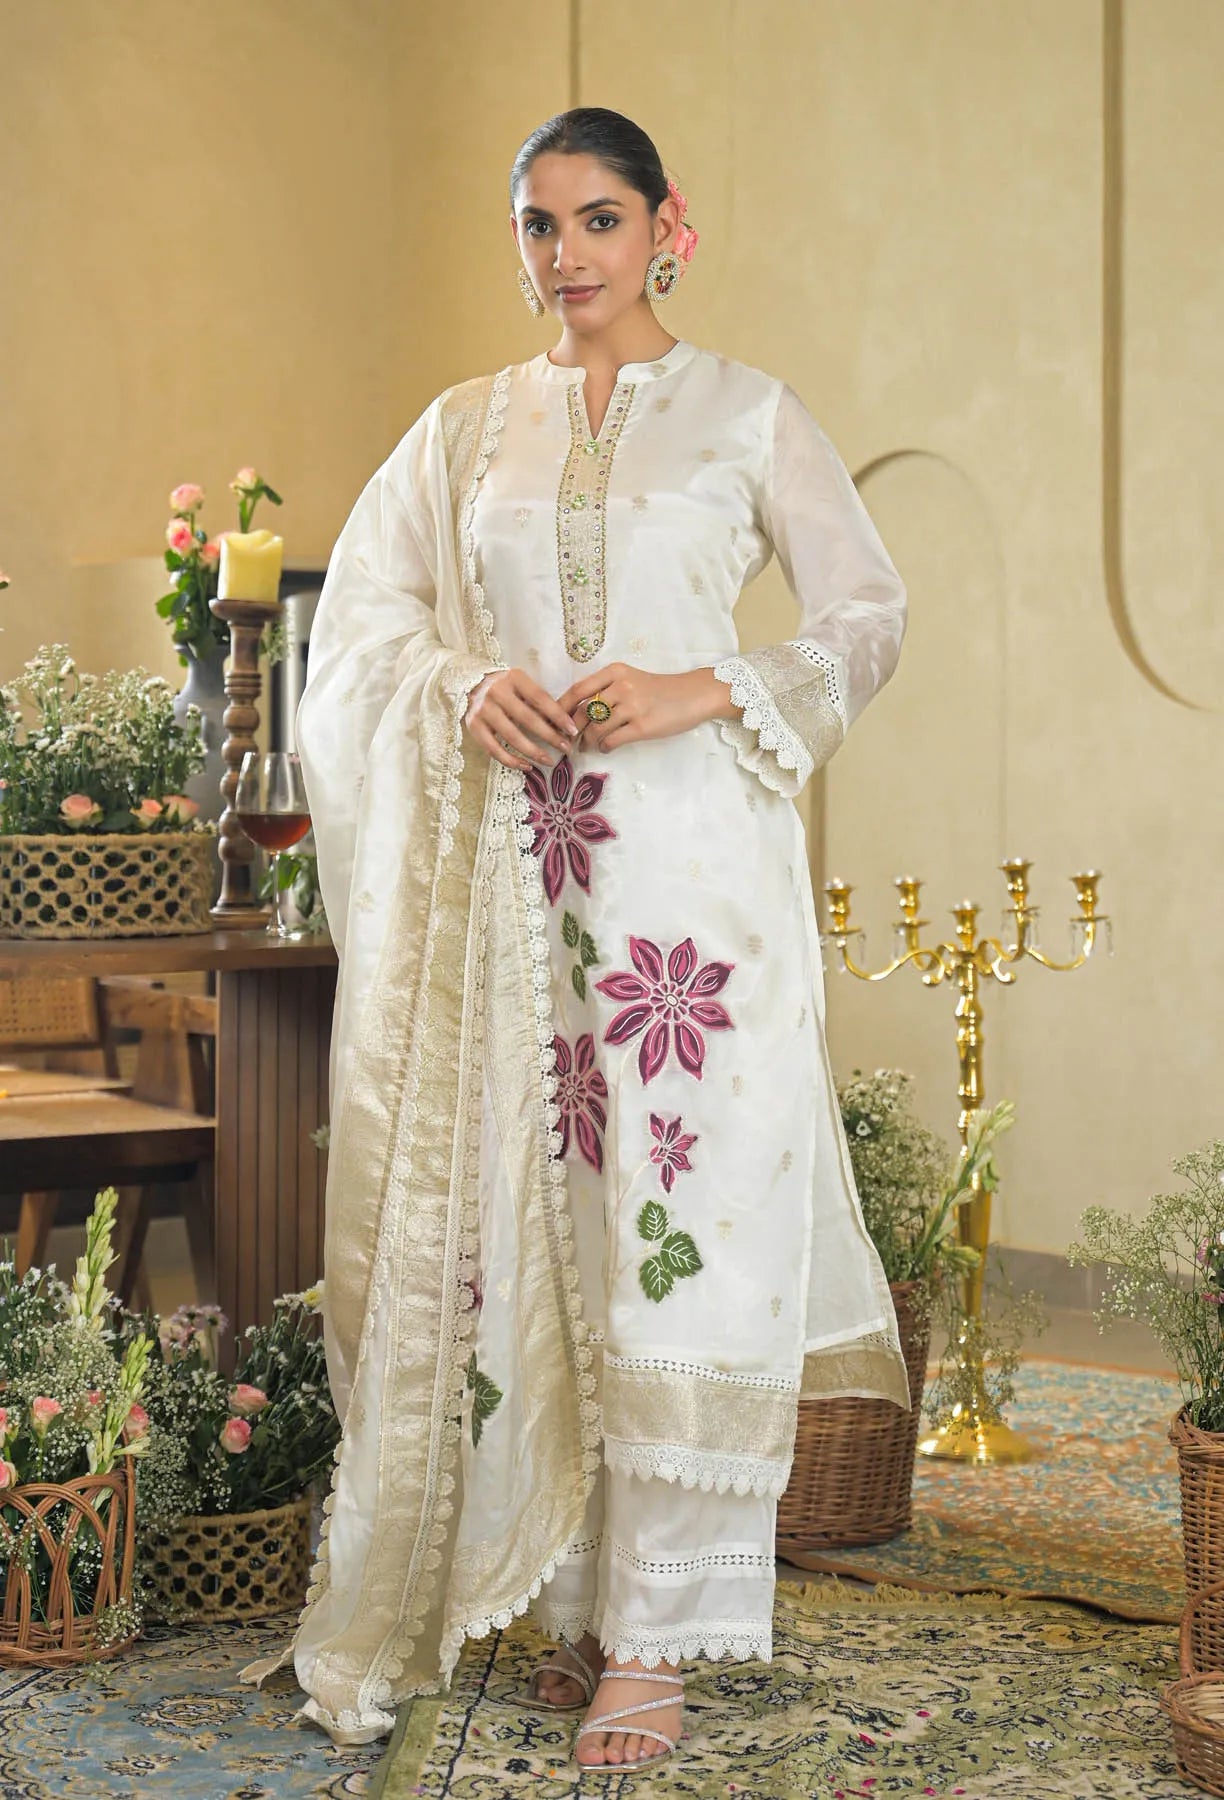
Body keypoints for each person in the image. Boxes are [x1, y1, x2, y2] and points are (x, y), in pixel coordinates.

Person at [241, 105, 911, 1774]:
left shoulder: (750, 417)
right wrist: (469, 689)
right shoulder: (467, 430)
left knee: (681, 1228)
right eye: (539, 228)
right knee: (530, 1226)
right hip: (511, 901)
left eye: (598, 221)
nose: (568, 260)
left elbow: (868, 616)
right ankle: (563, 1596)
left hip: (697, 902)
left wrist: (711, 684)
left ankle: (664, 1639)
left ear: (667, 223)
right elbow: (368, 625)